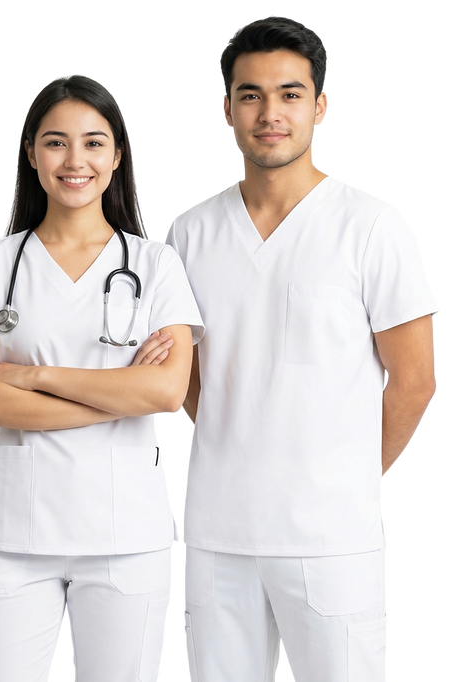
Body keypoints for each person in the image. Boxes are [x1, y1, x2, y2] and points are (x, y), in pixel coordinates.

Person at [165, 15, 441, 682]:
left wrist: (347, 478)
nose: (270, 114)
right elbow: (185, 377)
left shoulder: (373, 225)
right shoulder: (189, 231)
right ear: (226, 111)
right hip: (216, 536)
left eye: (290, 94)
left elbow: (414, 381)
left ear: (320, 106)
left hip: (332, 539)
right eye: (251, 96)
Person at [0, 72, 204, 682]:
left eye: (93, 142)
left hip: (126, 536)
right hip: (11, 535)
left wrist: (35, 376)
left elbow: (166, 392)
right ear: (31, 154)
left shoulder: (156, 263)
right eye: (55, 142)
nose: (74, 160)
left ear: (117, 156)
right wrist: (120, 395)